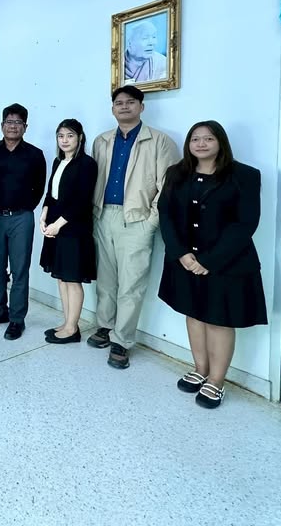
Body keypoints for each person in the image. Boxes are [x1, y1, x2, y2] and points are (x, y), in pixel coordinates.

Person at [157, 121, 266, 409]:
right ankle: (200, 369)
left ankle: (216, 381)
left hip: (226, 263)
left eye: (208, 139)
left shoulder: (245, 175)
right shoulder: (176, 173)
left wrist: (209, 260)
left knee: (219, 319)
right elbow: (165, 214)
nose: (201, 144)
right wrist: (181, 253)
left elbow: (245, 223)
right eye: (195, 139)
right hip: (184, 260)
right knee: (193, 314)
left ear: (221, 142)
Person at [90, 85, 179, 369]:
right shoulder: (101, 141)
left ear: (142, 107)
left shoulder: (160, 141)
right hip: (103, 215)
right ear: (112, 109)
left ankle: (122, 339)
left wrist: (152, 221)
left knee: (132, 284)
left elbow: (169, 186)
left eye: (130, 102)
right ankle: (105, 326)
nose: (124, 106)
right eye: (119, 103)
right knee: (105, 279)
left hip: (138, 219)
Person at [0, 103, 47, 340]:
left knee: (20, 270)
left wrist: (25, 207)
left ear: (25, 127)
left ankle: (17, 319)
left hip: (22, 218)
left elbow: (40, 187)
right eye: (9, 121)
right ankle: (0, 311)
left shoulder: (35, 154)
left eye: (18, 122)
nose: (13, 126)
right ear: (2, 125)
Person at [39, 119, 98, 345]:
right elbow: (50, 194)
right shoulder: (58, 161)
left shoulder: (87, 164)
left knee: (72, 279)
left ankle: (73, 328)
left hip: (74, 228)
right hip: (55, 225)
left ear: (80, 138)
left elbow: (81, 201)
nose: (64, 140)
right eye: (61, 135)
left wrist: (58, 224)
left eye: (70, 135)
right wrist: (44, 216)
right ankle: (66, 323)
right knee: (62, 278)